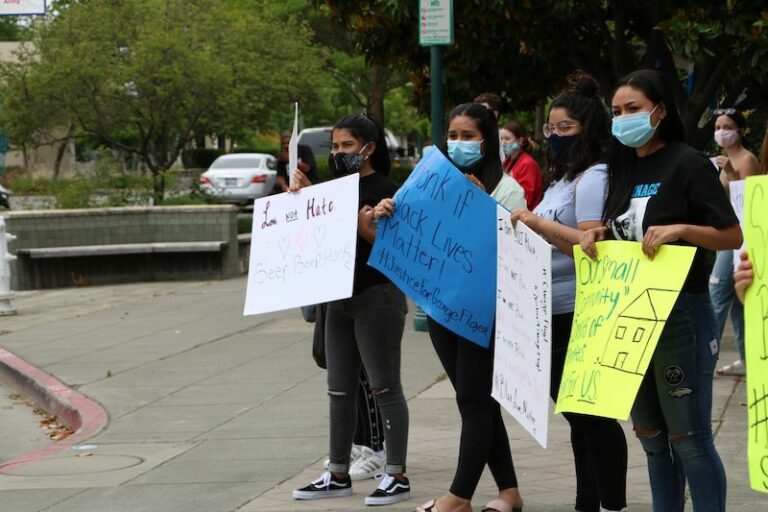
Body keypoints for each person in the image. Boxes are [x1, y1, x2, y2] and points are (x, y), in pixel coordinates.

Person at [580, 69, 742, 512]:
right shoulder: (622, 168)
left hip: (680, 317)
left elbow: (731, 235)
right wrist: (598, 236)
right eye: (615, 112)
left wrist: (682, 229)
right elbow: (623, 233)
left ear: (660, 111)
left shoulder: (687, 162)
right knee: (651, 439)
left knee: (689, 440)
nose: (622, 118)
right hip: (627, 320)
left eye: (632, 108)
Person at [377, 103, 526, 512]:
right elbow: (413, 227)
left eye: (468, 136)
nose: (459, 144)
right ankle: (509, 492)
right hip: (441, 309)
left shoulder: (508, 188)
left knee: (473, 402)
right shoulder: (430, 181)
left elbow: (516, 249)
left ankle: (458, 497)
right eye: (453, 136)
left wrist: (485, 209)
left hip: (482, 312)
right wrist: (388, 211)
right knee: (475, 398)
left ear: (488, 140)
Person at [510, 73, 628, 512]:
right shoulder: (563, 180)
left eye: (565, 129)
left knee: (592, 416)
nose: (555, 137)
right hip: (552, 309)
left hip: (581, 308)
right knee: (578, 418)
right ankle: (587, 501)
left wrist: (537, 224)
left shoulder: (594, 177)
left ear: (588, 131)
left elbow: (588, 247)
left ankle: (610, 503)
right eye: (551, 128)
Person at [291, 113, 411, 506]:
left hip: (376, 298)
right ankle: (337, 472)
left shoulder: (388, 191)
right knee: (339, 389)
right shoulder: (332, 191)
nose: (339, 153)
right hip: (337, 301)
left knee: (384, 387)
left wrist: (366, 232)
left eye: (346, 145)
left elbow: (401, 255)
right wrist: (304, 196)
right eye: (335, 146)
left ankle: (396, 473)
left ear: (369, 148)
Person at [709, 108, 759, 376]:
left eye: (727, 126)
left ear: (740, 130)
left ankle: (705, 357)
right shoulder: (724, 159)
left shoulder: (746, 159)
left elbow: (749, 201)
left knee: (716, 296)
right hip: (727, 235)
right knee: (739, 304)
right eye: (717, 127)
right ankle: (747, 357)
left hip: (740, 237)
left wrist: (731, 172)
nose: (721, 132)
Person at [500, 121, 543, 210]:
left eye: (507, 139)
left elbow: (526, 199)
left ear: (520, 140)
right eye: (502, 139)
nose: (503, 143)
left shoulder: (527, 164)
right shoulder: (508, 161)